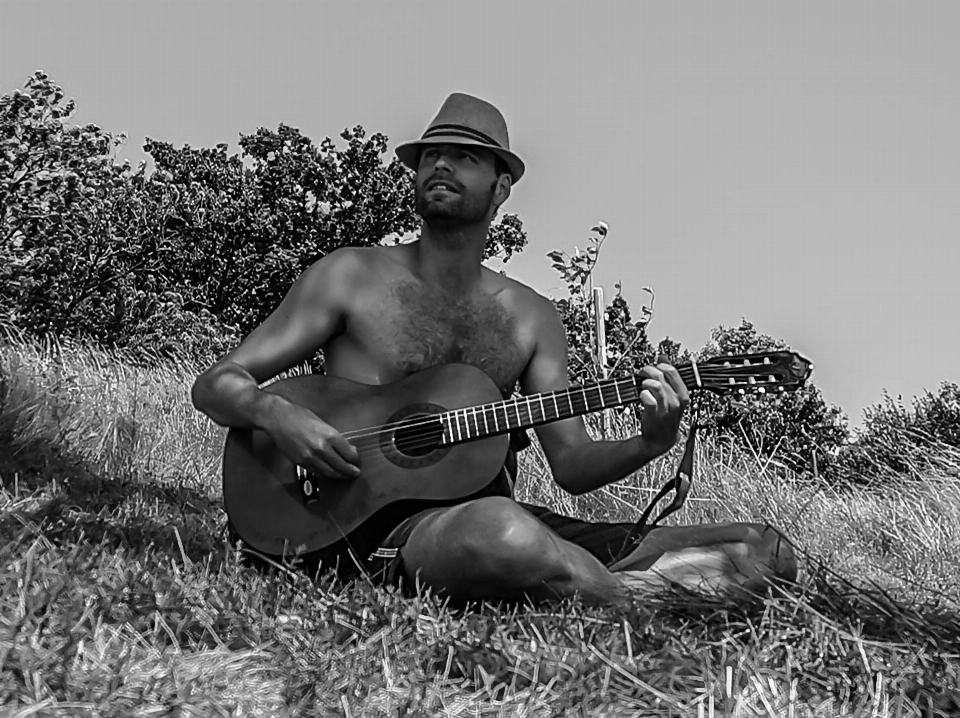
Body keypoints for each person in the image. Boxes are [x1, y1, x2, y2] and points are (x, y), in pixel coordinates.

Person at [192, 93, 797, 607]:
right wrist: (277, 413)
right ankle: (644, 598)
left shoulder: (532, 317)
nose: (442, 165)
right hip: (360, 525)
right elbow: (217, 383)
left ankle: (597, 580)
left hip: (481, 514)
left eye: (465, 157)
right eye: (432, 153)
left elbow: (573, 466)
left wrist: (651, 441)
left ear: (501, 187)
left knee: (763, 548)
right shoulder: (349, 274)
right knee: (505, 532)